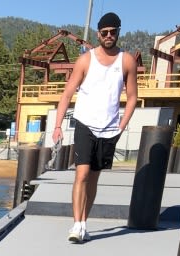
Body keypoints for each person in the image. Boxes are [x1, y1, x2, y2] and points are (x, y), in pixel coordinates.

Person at [52, 11, 138, 243]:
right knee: (81, 174)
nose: (109, 36)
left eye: (113, 32)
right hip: (85, 123)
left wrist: (122, 124)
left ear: (118, 32)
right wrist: (58, 125)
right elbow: (67, 93)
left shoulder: (126, 60)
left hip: (109, 128)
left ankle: (84, 223)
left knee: (94, 178)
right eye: (104, 32)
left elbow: (132, 97)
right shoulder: (86, 60)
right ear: (98, 34)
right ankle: (76, 224)